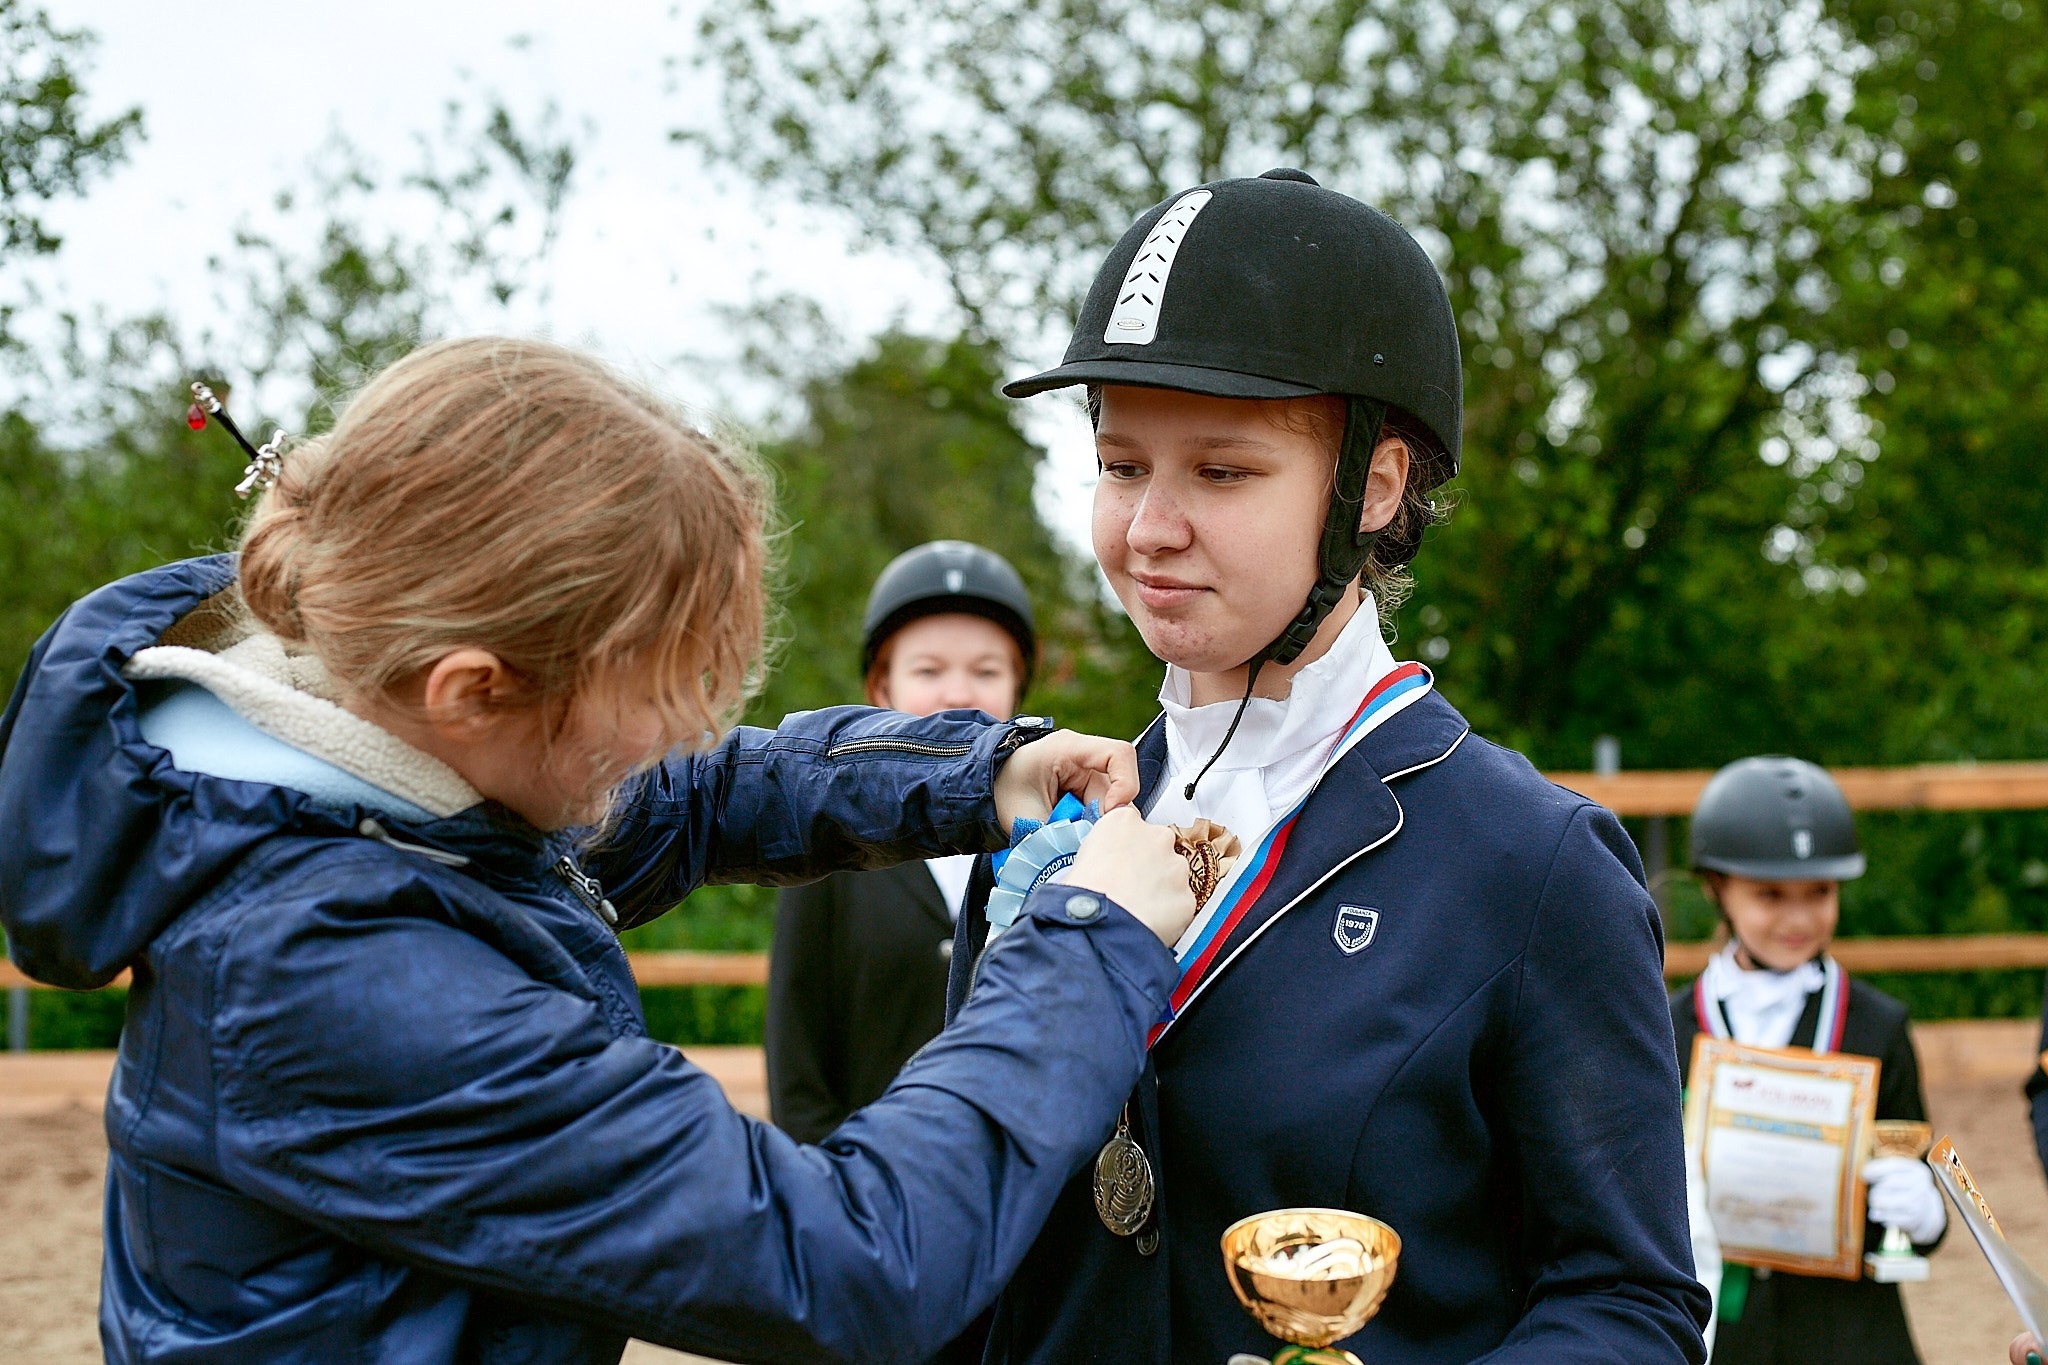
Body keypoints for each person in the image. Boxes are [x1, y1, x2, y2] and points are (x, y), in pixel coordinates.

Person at [0, 337, 1204, 1365]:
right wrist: (1084, 944)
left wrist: (974, 769)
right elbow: (852, 1260)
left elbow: (690, 793)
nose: (690, 724)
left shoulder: (392, 763)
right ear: (474, 690)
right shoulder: (331, 971)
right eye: (663, 686)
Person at [949, 169, 1710, 1362]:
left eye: (1221, 470)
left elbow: (1627, 1304)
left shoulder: (1534, 864)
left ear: (1376, 484)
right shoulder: (1045, 831)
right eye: (1120, 463)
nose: (1148, 528)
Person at [767, 540, 1036, 1365]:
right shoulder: (828, 857)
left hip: (1017, 1231)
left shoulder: (1053, 840)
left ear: (1019, 688)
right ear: (879, 688)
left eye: (986, 670)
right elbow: (802, 1066)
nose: (959, 691)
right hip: (877, 1233)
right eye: (929, 669)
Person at [1672, 756, 1945, 1364]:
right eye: (1770, 895)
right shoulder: (1667, 1027)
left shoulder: (1879, 1025)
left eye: (1819, 893)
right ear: (1718, 887)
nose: (1798, 919)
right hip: (1724, 1330)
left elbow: (1914, 1155)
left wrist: (1924, 1214)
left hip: (1848, 1336)